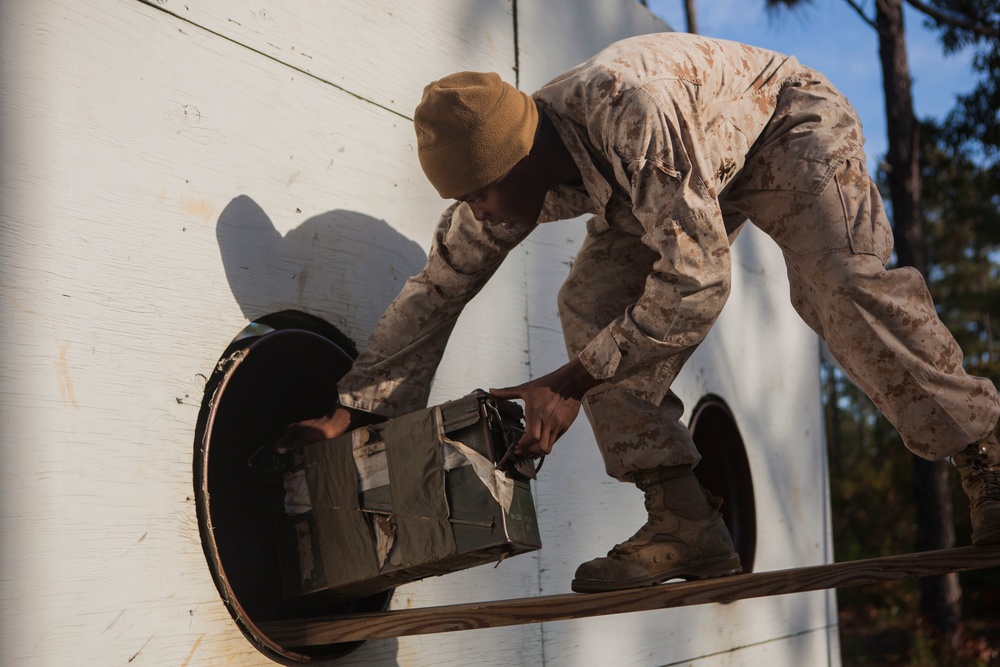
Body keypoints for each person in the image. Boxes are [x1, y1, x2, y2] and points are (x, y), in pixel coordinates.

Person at [282, 32, 1000, 593]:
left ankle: (986, 452)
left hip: (783, 123)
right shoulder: (507, 175)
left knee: (839, 284)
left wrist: (566, 386)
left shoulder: (629, 111)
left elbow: (699, 279)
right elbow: (438, 289)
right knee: (589, 303)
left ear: (517, 159)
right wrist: (354, 412)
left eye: (480, 196)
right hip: (672, 178)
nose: (479, 215)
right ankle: (682, 517)